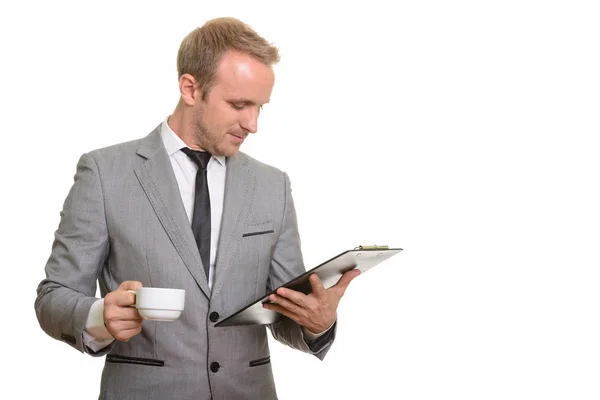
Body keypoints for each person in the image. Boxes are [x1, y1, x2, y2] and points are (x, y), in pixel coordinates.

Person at [34, 16, 360, 400]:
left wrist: (317, 323)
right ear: (190, 88)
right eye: (239, 104)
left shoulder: (273, 185)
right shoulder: (105, 173)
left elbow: (281, 311)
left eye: (260, 107)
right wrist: (99, 317)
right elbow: (53, 296)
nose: (252, 124)